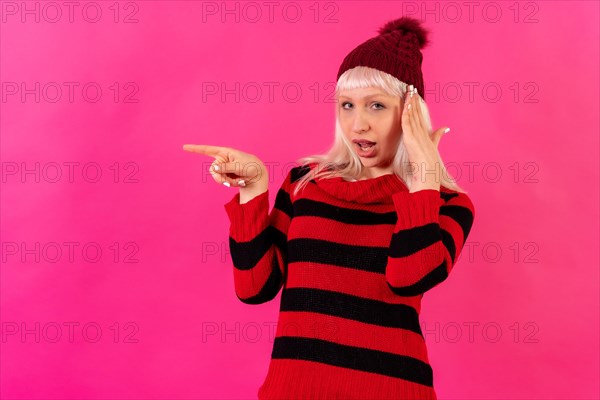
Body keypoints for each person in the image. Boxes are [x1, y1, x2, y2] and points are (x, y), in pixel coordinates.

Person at [184, 16, 475, 400]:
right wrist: (254, 191)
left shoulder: (448, 203)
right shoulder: (306, 183)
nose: (358, 124)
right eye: (347, 105)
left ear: (410, 115)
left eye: (376, 106)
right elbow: (255, 288)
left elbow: (408, 278)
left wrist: (422, 179)